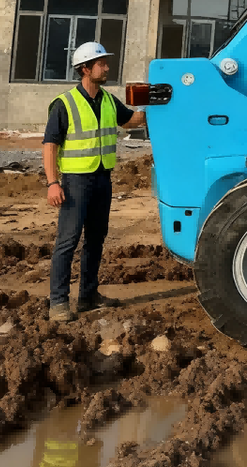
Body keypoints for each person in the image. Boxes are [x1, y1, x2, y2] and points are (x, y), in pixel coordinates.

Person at [43, 41, 145, 321]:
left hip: (102, 179)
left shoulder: (109, 100)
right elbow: (50, 145)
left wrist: (152, 103)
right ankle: (58, 303)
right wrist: (53, 183)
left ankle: (88, 296)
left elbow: (131, 121)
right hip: (75, 183)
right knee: (68, 241)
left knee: (96, 240)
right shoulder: (64, 104)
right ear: (85, 69)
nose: (107, 67)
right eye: (101, 63)